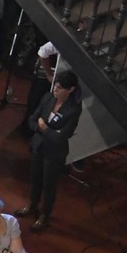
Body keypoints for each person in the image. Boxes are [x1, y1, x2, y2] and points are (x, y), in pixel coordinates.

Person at [20, 70, 82, 229]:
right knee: (35, 178)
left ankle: (44, 215)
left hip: (54, 153)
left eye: (60, 88)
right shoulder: (48, 98)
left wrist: (44, 128)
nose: (55, 89)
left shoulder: (73, 110)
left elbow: (61, 137)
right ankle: (32, 205)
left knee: (49, 185)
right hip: (38, 146)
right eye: (55, 85)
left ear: (70, 89)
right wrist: (43, 129)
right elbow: (33, 119)